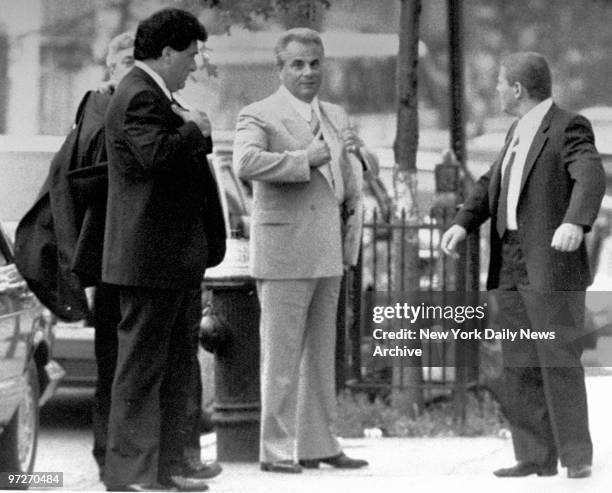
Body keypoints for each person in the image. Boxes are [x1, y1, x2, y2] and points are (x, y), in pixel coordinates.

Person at [441, 52, 604, 480]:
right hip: (510, 261)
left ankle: (575, 456)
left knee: (557, 358)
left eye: (499, 83)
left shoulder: (568, 126)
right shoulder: (517, 130)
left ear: (517, 89)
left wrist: (575, 220)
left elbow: (590, 174)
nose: (495, 90)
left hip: (550, 261)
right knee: (519, 359)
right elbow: (489, 183)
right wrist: (462, 223)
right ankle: (535, 456)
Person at [233, 27, 368, 474]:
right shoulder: (259, 114)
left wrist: (359, 157)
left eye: (315, 63)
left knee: (321, 355)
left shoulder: (334, 113)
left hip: (329, 249)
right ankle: (276, 450)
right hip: (285, 250)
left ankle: (319, 444)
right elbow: (245, 163)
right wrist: (303, 159)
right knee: (282, 356)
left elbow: (346, 177)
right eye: (297, 64)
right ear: (281, 69)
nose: (308, 72)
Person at [102, 9, 226, 491]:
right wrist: (193, 127)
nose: (195, 65)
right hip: (148, 261)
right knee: (141, 372)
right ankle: (131, 475)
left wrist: (195, 129)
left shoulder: (156, 94)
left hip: (171, 261)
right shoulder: (137, 94)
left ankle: (165, 469)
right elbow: (155, 157)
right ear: (168, 51)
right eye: (192, 54)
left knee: (174, 369)